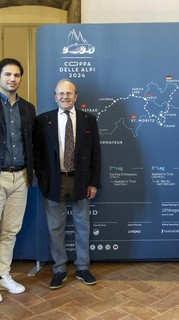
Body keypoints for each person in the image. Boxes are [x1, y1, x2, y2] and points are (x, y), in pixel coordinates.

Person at [33, 79, 101, 290]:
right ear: (55, 96)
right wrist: (42, 180)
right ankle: (59, 269)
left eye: (69, 93)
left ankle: (82, 267)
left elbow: (96, 154)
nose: (65, 97)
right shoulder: (43, 120)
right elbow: (37, 154)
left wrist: (93, 182)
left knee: (83, 226)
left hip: (80, 180)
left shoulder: (89, 120)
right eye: (61, 93)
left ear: (76, 96)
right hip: (54, 181)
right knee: (55, 227)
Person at [0, 58, 36, 302]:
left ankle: (3, 275)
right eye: (7, 75)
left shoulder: (27, 108)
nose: (12, 79)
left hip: (21, 176)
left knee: (10, 231)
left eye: (16, 75)